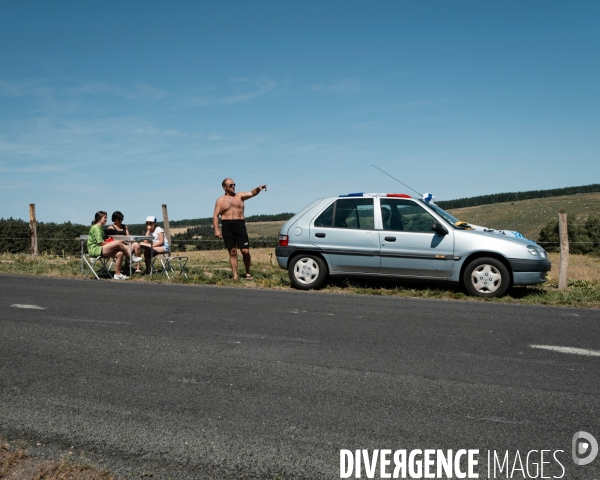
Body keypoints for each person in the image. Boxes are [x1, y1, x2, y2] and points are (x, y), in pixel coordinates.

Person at [213, 178, 267, 280]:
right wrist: (216, 229)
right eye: (230, 185)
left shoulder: (240, 196)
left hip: (239, 225)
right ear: (224, 187)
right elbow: (215, 216)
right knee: (232, 251)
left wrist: (258, 189)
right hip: (227, 226)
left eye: (234, 185)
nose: (233, 187)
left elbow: (251, 193)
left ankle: (248, 272)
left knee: (245, 251)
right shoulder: (220, 200)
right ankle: (235, 275)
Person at [87, 211, 143, 280]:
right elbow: (100, 243)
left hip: (100, 248)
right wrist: (114, 243)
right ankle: (131, 258)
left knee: (119, 253)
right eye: (105, 217)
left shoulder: (100, 228)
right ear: (99, 219)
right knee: (118, 243)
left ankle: (117, 274)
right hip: (95, 249)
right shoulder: (96, 228)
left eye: (106, 217)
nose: (106, 219)